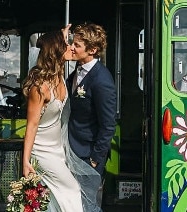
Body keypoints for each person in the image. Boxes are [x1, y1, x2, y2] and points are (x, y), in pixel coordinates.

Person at [22, 26, 83, 212]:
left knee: (56, 196)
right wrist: (25, 161)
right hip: (42, 151)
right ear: (56, 50)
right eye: (67, 44)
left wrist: (62, 33)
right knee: (73, 189)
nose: (71, 47)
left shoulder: (60, 77)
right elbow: (31, 125)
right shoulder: (39, 87)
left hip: (57, 149)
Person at [66, 23, 117, 211]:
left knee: (88, 206)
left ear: (93, 50)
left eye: (77, 45)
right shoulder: (75, 73)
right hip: (73, 149)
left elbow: (108, 124)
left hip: (87, 154)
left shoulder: (101, 80)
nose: (72, 47)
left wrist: (95, 158)